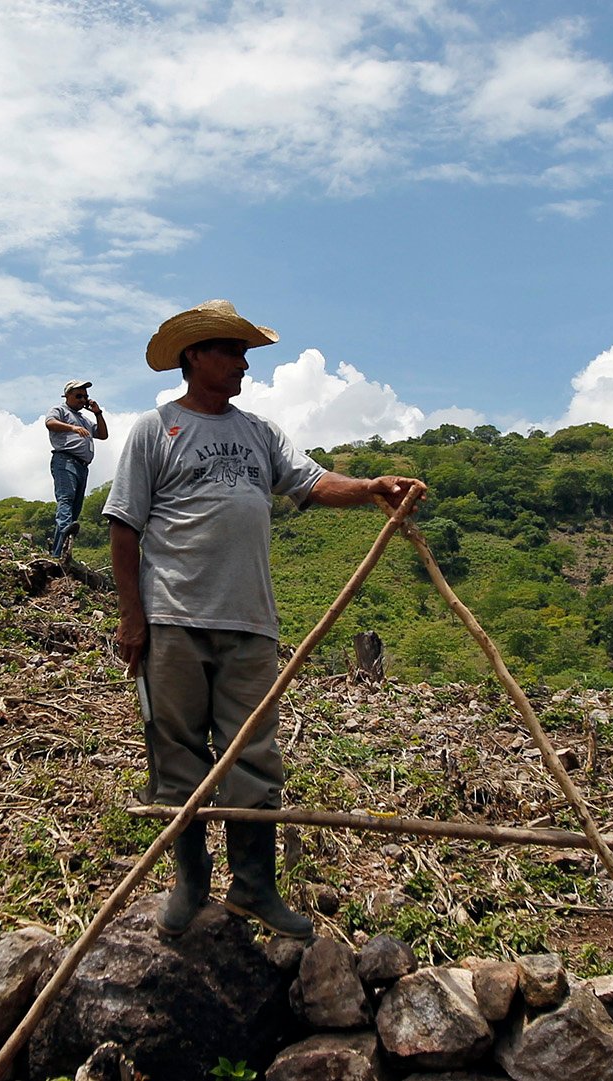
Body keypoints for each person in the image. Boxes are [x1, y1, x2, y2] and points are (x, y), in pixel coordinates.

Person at [104, 299, 425, 939]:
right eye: (231, 350)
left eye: (246, 352)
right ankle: (191, 883)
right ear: (195, 357)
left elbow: (309, 482)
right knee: (177, 753)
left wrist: (370, 487)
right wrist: (133, 619)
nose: (243, 363)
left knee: (252, 757)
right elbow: (123, 526)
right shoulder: (154, 429)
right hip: (174, 616)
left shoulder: (259, 433)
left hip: (250, 621)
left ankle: (253, 887)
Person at [44, 380, 108, 558]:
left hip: (82, 466)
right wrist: (72, 427)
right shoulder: (60, 410)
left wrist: (98, 413)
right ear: (67, 395)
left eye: (85, 397)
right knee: (66, 498)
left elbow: (103, 434)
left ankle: (58, 553)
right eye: (79, 396)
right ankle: (63, 535)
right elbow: (50, 423)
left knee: (75, 508)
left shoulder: (84, 419)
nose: (83, 400)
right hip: (65, 461)